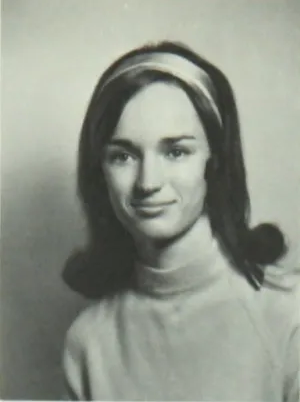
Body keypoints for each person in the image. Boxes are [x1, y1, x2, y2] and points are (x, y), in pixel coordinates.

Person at [62, 41, 299, 401]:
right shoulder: (87, 342)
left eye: (176, 151)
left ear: (214, 162)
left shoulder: (288, 319)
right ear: (100, 171)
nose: (148, 182)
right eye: (123, 156)